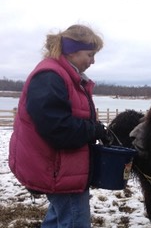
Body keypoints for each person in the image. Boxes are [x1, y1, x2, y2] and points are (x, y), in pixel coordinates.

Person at [9, 24, 109, 228]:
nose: (93, 61)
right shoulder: (50, 77)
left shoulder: (66, 76)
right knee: (74, 221)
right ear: (72, 51)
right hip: (58, 169)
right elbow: (57, 128)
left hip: (64, 167)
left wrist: (95, 129)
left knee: (59, 218)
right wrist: (93, 130)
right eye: (90, 55)